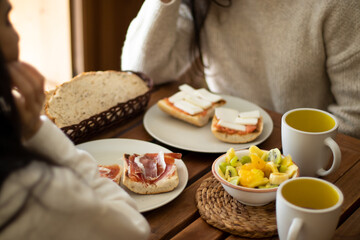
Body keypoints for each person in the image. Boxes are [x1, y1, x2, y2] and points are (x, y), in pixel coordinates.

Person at [0, 0, 150, 239]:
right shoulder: (36, 191)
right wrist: (39, 130)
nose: (17, 35)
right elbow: (135, 229)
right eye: (7, 20)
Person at [121, 0, 360, 138]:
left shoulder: (339, 5)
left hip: (303, 162)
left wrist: (275, 158)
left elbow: (354, 116)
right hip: (218, 148)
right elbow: (142, 73)